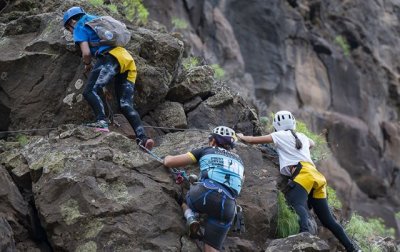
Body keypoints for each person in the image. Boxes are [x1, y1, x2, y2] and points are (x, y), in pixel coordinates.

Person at [237, 110, 360, 252]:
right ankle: (353, 249)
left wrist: (241, 136)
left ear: (277, 125)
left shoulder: (279, 135)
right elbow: (312, 143)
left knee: (296, 203)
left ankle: (305, 234)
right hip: (317, 176)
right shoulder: (301, 136)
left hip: (302, 173)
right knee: (328, 220)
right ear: (293, 123)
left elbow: (253, 140)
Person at [63, 6, 154, 149]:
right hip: (126, 59)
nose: (70, 31)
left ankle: (101, 121)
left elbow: (86, 53)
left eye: (68, 28)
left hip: (110, 58)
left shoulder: (79, 25)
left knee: (89, 91)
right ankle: (143, 138)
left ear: (71, 22)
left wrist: (87, 64)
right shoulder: (96, 20)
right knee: (125, 104)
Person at [163, 126, 244, 252]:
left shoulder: (206, 150)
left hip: (205, 193)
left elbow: (170, 162)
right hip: (228, 206)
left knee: (185, 201)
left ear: (213, 141)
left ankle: (191, 217)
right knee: (211, 247)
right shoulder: (240, 161)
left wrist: (167, 157)